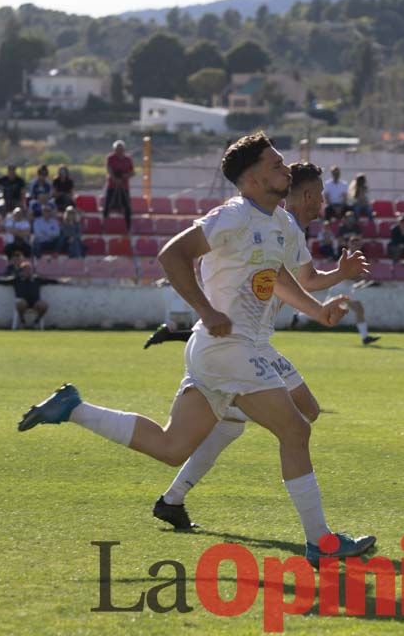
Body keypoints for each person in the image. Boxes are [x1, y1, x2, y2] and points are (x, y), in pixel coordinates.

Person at [18, 133, 375, 562]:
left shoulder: (278, 222)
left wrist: (318, 313)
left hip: (224, 349)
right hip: (230, 346)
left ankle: (72, 408)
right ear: (254, 178)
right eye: (278, 165)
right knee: (296, 429)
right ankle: (321, 541)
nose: (286, 171)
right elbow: (172, 255)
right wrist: (205, 310)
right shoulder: (234, 215)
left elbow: (280, 281)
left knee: (172, 448)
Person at [146, 160, 371, 528]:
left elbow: (294, 280)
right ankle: (317, 534)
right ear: (310, 196)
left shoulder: (283, 228)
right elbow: (302, 280)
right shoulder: (276, 225)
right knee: (299, 420)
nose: (322, 207)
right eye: (317, 199)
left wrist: (331, 287)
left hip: (256, 342)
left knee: (281, 417)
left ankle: (174, 496)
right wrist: (333, 285)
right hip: (249, 345)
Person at [0, 249, 59, 328]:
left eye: (29, 269)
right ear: (22, 271)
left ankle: (37, 320)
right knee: (21, 303)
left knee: (44, 305)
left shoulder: (36, 279)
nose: (28, 271)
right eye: (26, 270)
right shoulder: (17, 279)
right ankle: (22, 319)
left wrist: (61, 281)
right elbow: (4, 281)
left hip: (35, 302)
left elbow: (49, 281)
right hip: (23, 302)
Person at [103, 140, 134, 227]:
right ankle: (104, 224)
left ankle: (128, 227)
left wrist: (124, 176)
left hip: (124, 187)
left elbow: (132, 172)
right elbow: (109, 170)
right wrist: (115, 179)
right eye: (117, 149)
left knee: (127, 207)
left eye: (121, 149)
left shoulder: (128, 159)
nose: (119, 151)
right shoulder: (110, 158)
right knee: (107, 206)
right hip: (112, 186)